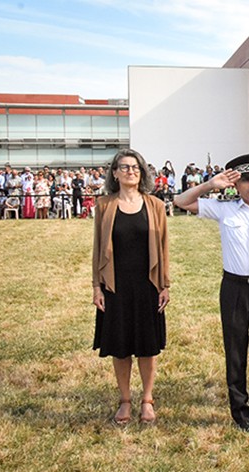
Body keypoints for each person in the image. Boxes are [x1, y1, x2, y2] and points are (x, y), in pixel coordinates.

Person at [174, 154, 249, 434]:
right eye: (247, 180)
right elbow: (181, 201)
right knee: (236, 352)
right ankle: (239, 412)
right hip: (234, 289)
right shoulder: (224, 209)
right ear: (237, 184)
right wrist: (209, 185)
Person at [92, 148, 170, 425]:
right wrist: (96, 287)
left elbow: (163, 249)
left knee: (148, 347)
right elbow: (97, 250)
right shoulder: (104, 205)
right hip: (115, 285)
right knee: (120, 346)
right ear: (115, 173)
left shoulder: (155, 205)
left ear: (142, 172)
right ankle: (125, 400)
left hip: (147, 284)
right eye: (124, 167)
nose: (130, 171)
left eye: (135, 167)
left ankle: (147, 399)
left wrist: (164, 285)